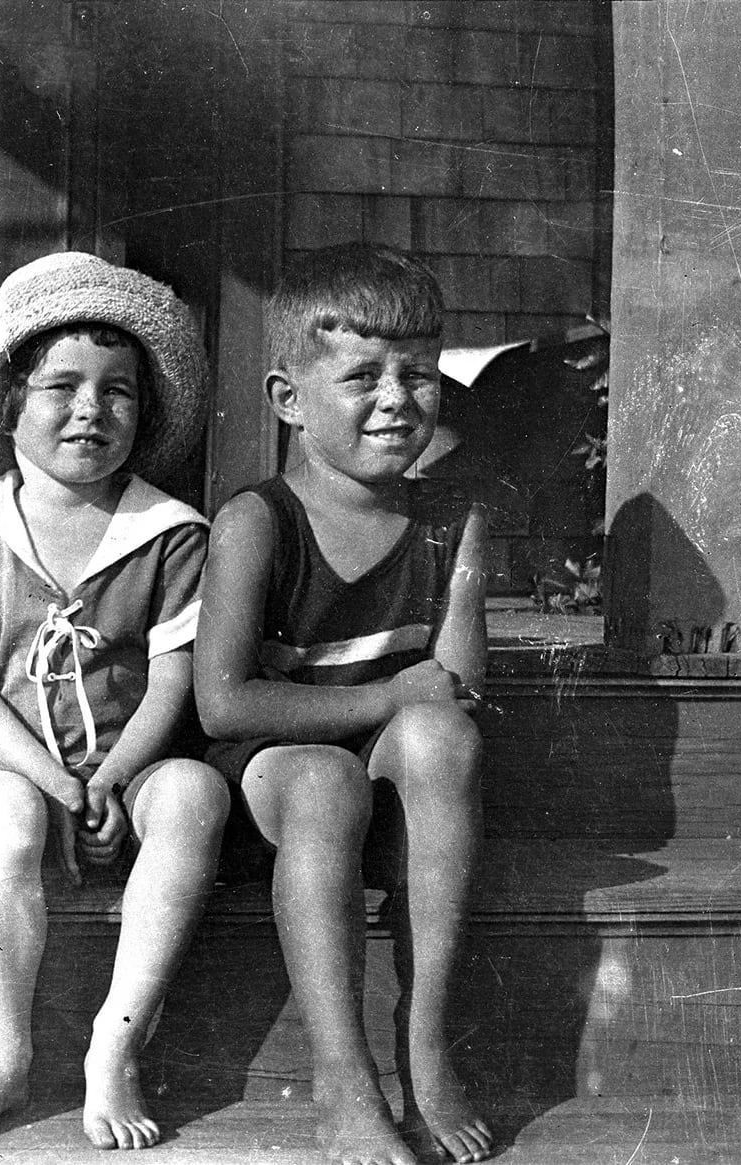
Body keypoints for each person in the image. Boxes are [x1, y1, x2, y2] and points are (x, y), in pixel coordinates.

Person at [0, 253, 230, 1151]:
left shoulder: (168, 537)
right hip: (14, 767)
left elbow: (170, 682)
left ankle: (116, 1039)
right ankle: (5, 1053)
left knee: (197, 796)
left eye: (119, 391)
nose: (92, 409)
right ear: (9, 409)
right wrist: (52, 780)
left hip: (135, 762)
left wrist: (114, 777)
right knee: (2, 818)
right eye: (62, 386)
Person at [194, 242, 494, 1165]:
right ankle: (342, 1071)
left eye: (420, 373)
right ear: (289, 399)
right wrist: (392, 697)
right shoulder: (258, 521)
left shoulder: (452, 525)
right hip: (276, 773)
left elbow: (450, 691)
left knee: (442, 734)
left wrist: (411, 704)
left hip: (390, 768)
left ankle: (427, 1035)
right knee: (327, 782)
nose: (398, 398)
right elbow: (224, 704)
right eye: (363, 375)